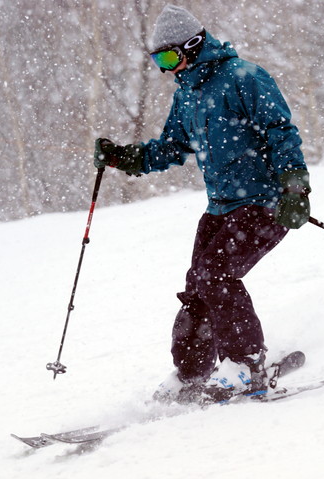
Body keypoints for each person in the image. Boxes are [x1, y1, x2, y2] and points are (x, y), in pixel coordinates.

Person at [93, 5, 311, 403]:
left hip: (264, 203)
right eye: (158, 60)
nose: (165, 69)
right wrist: (125, 157)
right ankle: (193, 372)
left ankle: (246, 365)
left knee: (217, 275)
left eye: (169, 57)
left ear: (192, 45)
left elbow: (281, 132)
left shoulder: (244, 78)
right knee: (198, 284)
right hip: (221, 207)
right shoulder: (188, 95)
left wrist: (295, 190)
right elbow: (172, 148)